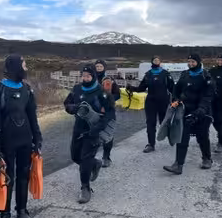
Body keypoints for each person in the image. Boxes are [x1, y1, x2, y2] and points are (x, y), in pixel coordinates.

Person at [0, 54, 42, 218]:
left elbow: (32, 117)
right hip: (6, 144)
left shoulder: (26, 89)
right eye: (24, 65)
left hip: (25, 141)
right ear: (16, 67)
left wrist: (37, 139)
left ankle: (22, 211)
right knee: (6, 179)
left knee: (23, 176)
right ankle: (5, 215)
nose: (26, 69)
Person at [64, 64, 115, 204]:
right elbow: (67, 104)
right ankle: (95, 163)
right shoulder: (77, 89)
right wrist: (72, 108)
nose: (85, 78)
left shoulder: (101, 91)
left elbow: (110, 113)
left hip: (94, 130)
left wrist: (98, 129)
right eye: (83, 76)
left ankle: (85, 188)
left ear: (93, 76)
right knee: (75, 156)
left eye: (88, 76)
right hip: (78, 128)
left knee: (85, 159)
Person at [163, 54, 213, 175]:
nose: (190, 64)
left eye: (193, 62)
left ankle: (207, 159)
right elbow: (176, 89)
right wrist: (175, 100)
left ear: (198, 62)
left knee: (202, 137)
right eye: (189, 61)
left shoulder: (205, 76)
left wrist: (200, 111)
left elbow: (208, 96)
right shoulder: (185, 74)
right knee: (182, 137)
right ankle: (178, 165)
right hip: (185, 111)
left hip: (202, 112)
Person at [127, 56, 174, 153]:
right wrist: (131, 88)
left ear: (160, 61)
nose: (156, 61)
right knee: (150, 123)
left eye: (158, 60)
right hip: (151, 102)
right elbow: (141, 88)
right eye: (154, 60)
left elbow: (172, 88)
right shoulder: (148, 75)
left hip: (163, 102)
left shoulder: (165, 74)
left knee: (164, 122)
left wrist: (176, 99)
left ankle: (171, 138)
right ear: (152, 62)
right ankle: (151, 144)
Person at [94, 59, 121, 167]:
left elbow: (117, 94)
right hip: (94, 111)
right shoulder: (92, 79)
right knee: (93, 133)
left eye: (100, 67)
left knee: (108, 133)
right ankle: (91, 157)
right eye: (97, 67)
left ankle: (106, 157)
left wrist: (108, 99)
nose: (99, 68)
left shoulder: (110, 80)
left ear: (104, 68)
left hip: (108, 111)